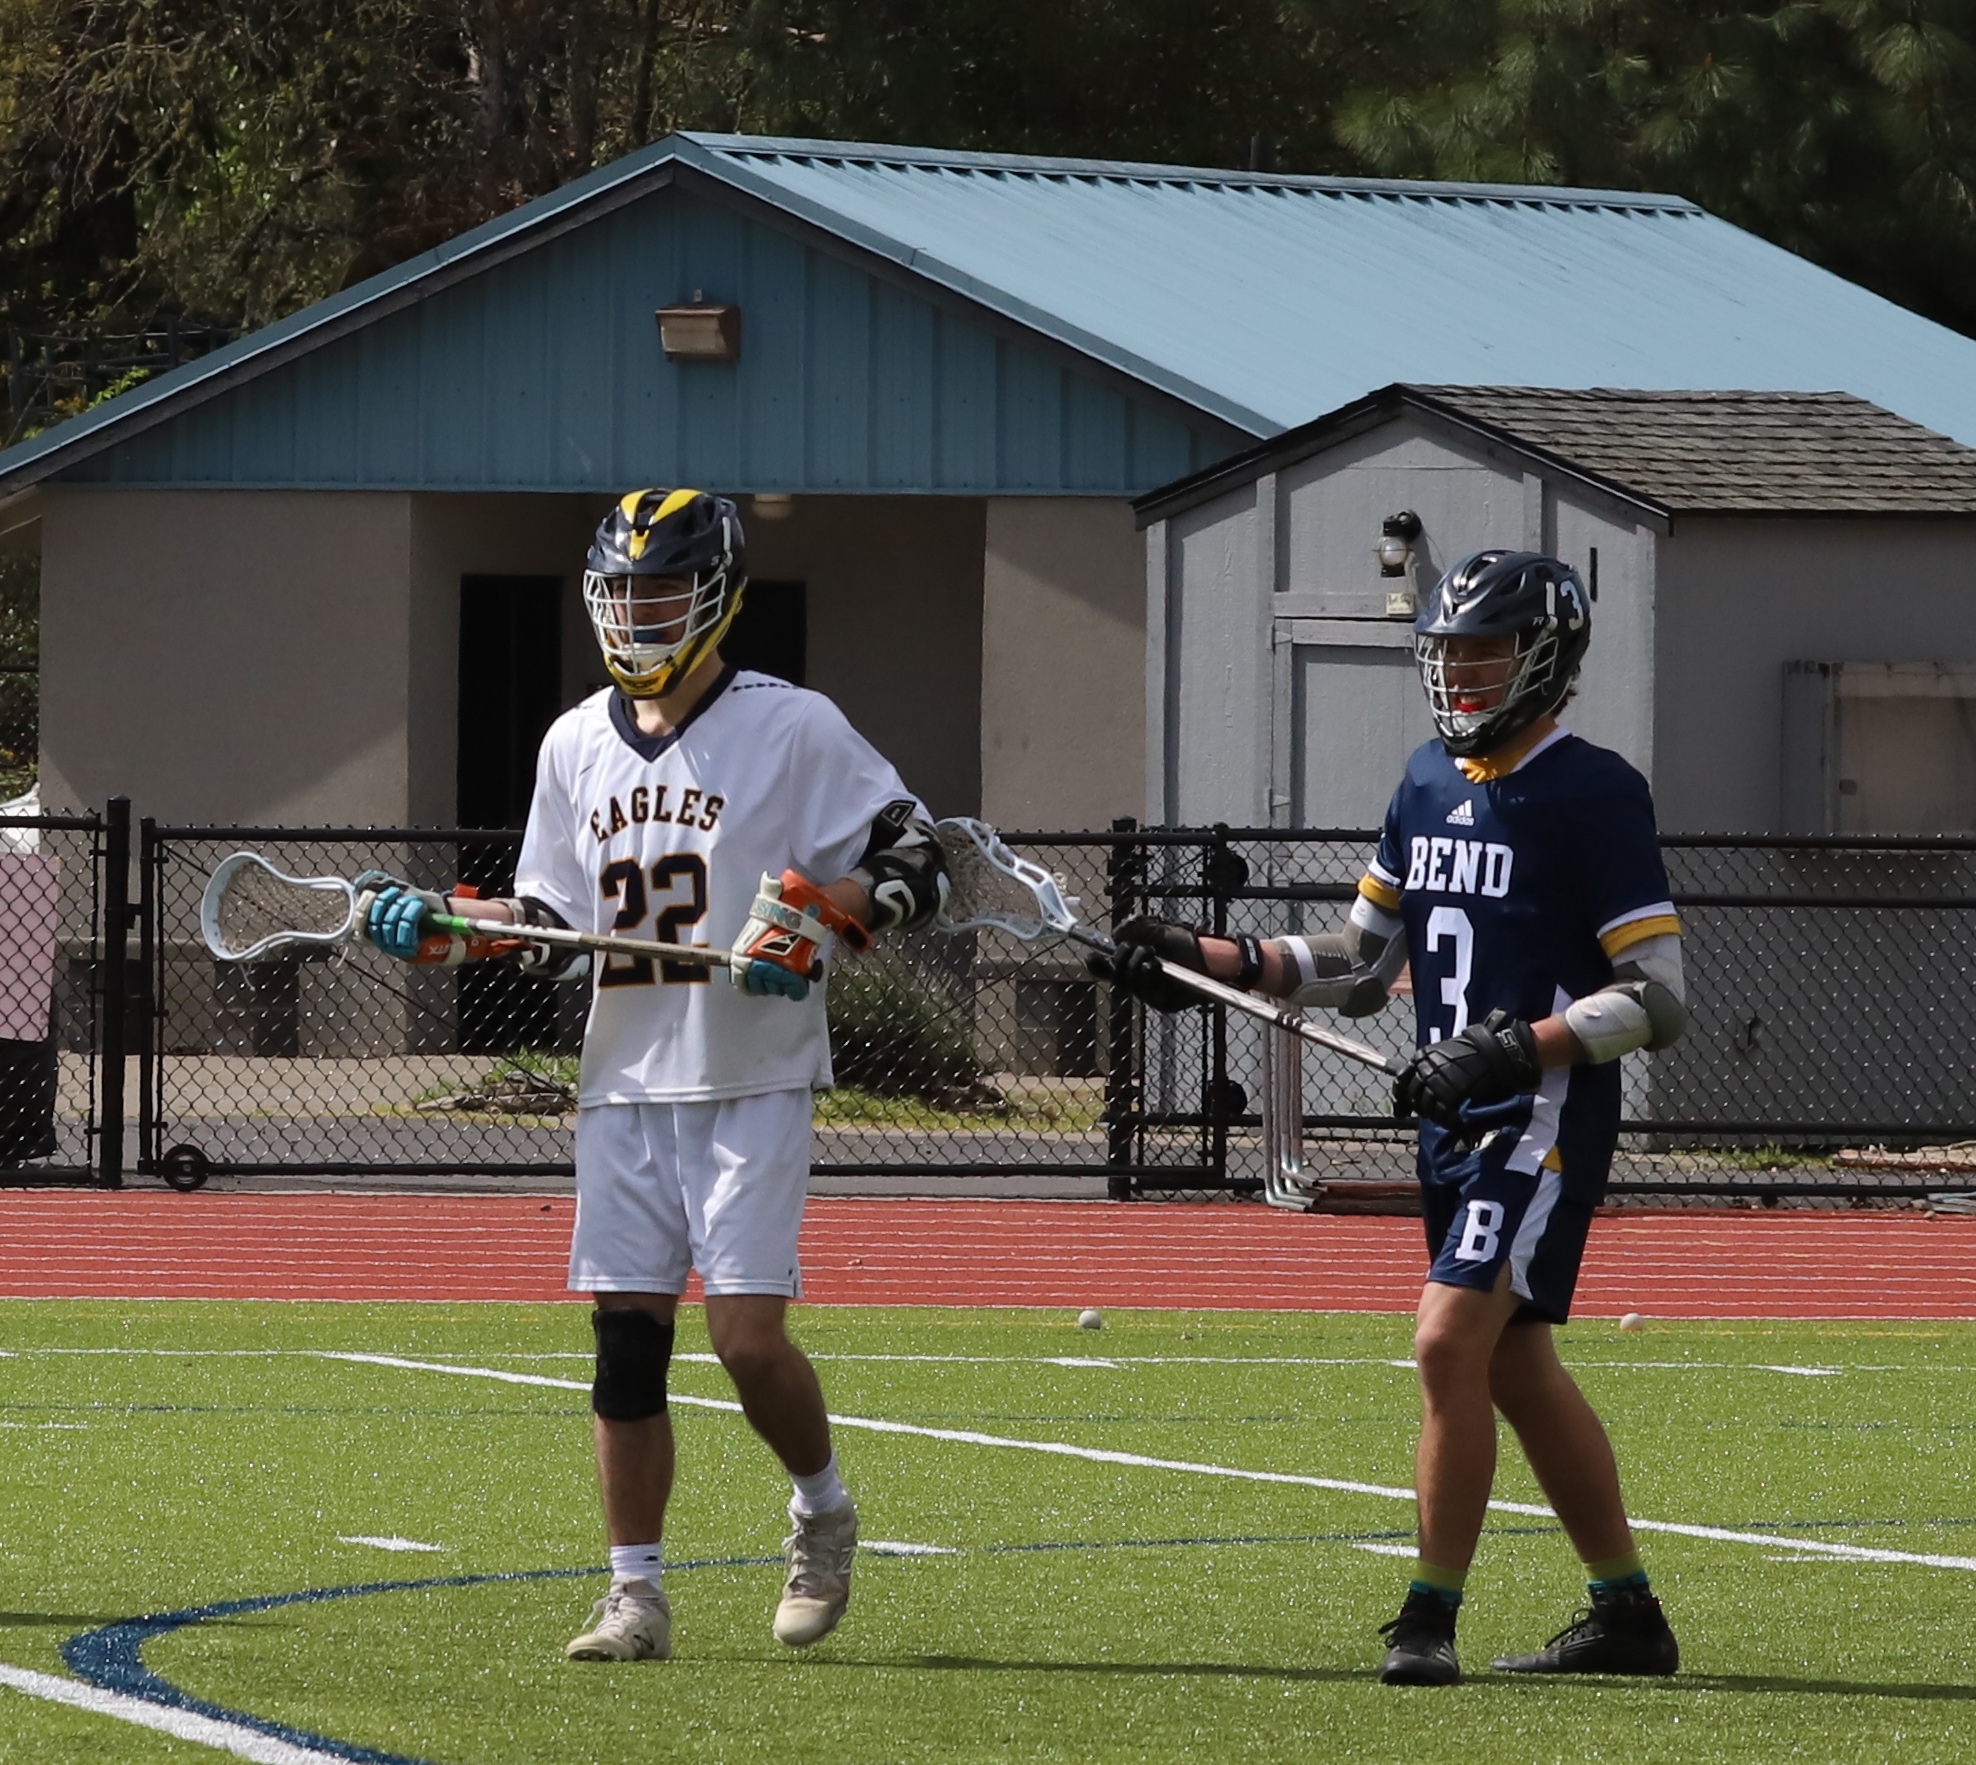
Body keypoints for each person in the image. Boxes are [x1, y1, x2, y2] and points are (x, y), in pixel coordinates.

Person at [364, 487, 947, 1663]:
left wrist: (825, 916)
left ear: (718, 594)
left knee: (744, 1340)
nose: (639, 614)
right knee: (626, 1347)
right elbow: (549, 921)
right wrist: (453, 928)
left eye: (665, 590)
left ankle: (822, 1509)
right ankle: (634, 1594)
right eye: (623, 592)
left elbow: (916, 854)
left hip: (748, 1072)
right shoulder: (572, 741)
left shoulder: (792, 724)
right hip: (623, 1078)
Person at [1095, 551, 1684, 1687]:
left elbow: (1657, 999)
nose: (1461, 672)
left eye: (1486, 651)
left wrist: (1510, 1046)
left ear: (1546, 657)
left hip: (1539, 1116)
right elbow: (1359, 963)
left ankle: (1427, 1617)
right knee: (1515, 1366)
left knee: (1444, 1340)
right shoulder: (1423, 779)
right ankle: (1627, 1612)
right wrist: (1203, 959)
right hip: (1453, 1121)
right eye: (1449, 651)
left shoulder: (1595, 790)